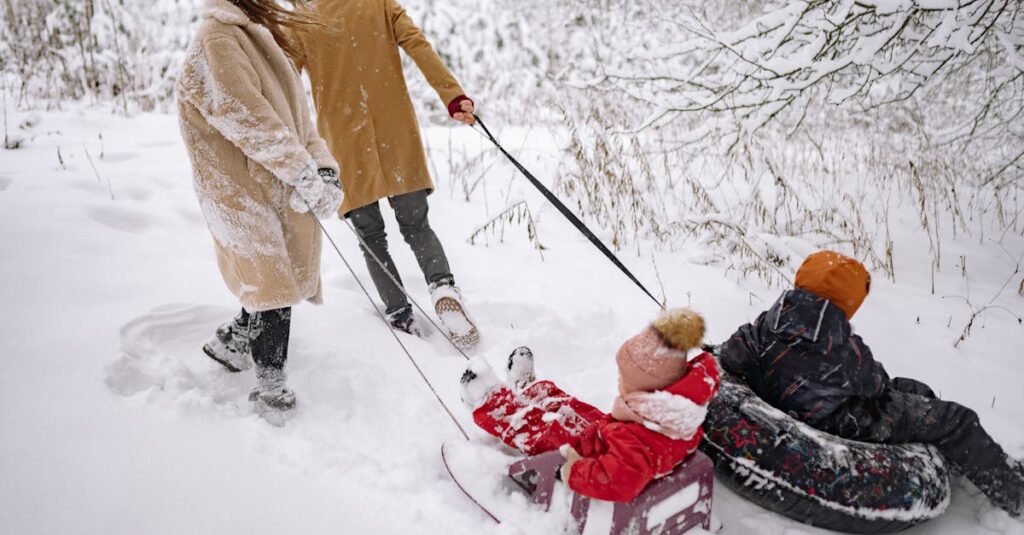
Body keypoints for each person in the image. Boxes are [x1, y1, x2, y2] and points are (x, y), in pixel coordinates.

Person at [718, 250, 1024, 516]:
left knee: (910, 389)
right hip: (843, 421)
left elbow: (732, 354)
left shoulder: (766, 323)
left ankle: (946, 457)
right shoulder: (842, 347)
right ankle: (1015, 493)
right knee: (955, 419)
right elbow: (876, 384)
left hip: (796, 405)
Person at [176, 0, 344, 417]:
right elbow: (249, 121)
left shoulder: (261, 38)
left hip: (269, 179)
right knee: (271, 282)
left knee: (276, 275)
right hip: (235, 188)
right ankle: (272, 389)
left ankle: (231, 343)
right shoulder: (217, 40)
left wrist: (324, 171)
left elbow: (300, 124)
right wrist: (302, 172)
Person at [291, 0, 479, 348]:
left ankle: (400, 315)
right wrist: (452, 97)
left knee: (371, 237)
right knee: (416, 224)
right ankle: (442, 286)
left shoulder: (304, 19)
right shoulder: (378, 4)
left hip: (345, 141)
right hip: (395, 135)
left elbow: (285, 81)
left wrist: (286, 140)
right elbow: (418, 45)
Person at [460, 309, 720, 502]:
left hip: (590, 457)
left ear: (649, 392)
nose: (619, 382)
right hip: (608, 437)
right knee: (570, 407)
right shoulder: (674, 414)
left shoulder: (639, 441)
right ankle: (530, 392)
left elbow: (618, 480)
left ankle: (493, 403)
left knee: (540, 430)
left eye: (625, 381)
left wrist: (574, 470)